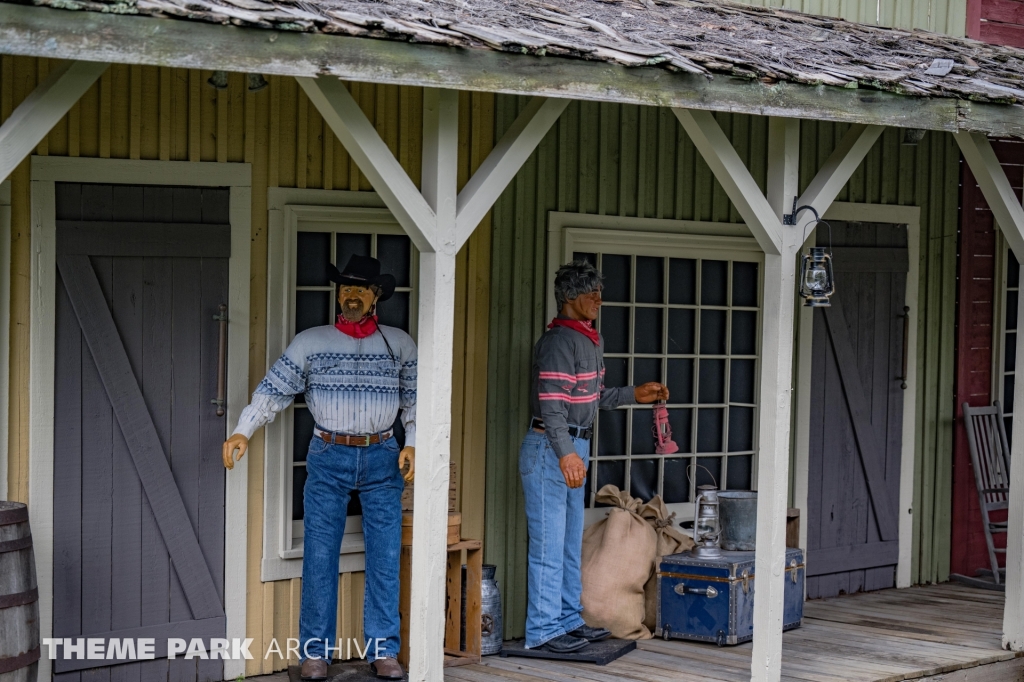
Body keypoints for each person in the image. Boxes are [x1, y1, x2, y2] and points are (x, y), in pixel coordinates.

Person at [222, 255, 416, 681]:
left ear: (375, 296)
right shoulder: (311, 342)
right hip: (328, 455)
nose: (351, 296)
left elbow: (415, 399)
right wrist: (242, 431)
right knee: (319, 556)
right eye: (345, 288)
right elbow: (273, 390)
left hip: (383, 453)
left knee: (385, 557)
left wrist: (415, 444)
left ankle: (384, 650)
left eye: (360, 289)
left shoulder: (399, 343)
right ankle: (315, 653)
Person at [522, 259, 669, 653]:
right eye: (591, 293)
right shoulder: (557, 343)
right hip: (550, 448)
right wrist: (566, 454)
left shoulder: (589, 340)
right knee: (549, 547)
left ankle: (569, 619)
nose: (598, 299)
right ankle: (543, 629)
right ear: (569, 297)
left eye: (599, 292)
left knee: (569, 543)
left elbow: (591, 398)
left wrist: (634, 394)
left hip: (574, 446)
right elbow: (552, 408)